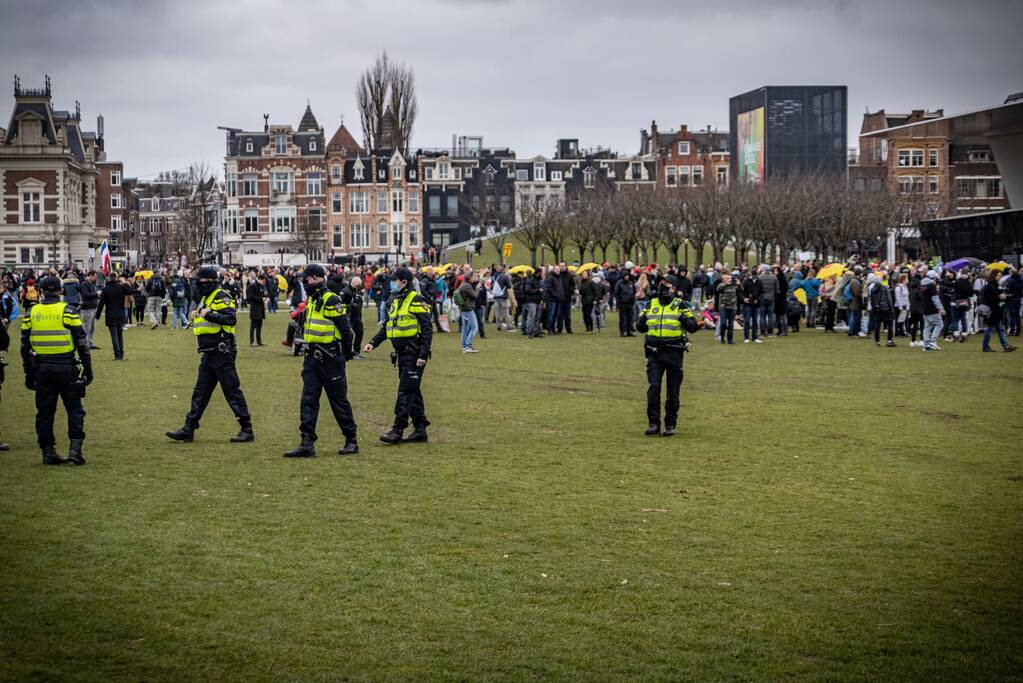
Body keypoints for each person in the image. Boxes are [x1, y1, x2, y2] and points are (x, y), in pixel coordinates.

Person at [166, 266, 254, 443]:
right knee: (201, 392)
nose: (198, 285)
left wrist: (209, 314)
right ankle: (189, 428)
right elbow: (206, 319)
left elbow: (230, 319)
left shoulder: (222, 296)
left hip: (221, 351)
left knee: (231, 390)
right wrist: (197, 315)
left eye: (201, 282)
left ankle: (247, 429)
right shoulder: (206, 298)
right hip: (209, 352)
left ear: (211, 282)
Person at [284, 264, 358, 458]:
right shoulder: (312, 299)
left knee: (338, 401)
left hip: (331, 357)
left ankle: (351, 439)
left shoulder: (330, 299)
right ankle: (307, 442)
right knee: (308, 400)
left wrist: (347, 354)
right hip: (312, 358)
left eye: (306, 279)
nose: (303, 282)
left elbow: (346, 330)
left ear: (316, 278)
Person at [20, 275, 93, 465]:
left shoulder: (31, 312)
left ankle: (47, 451)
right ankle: (75, 449)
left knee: (44, 412)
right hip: (66, 367)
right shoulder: (68, 311)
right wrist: (88, 368)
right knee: (75, 409)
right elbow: (81, 343)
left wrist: (28, 372)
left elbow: (24, 346)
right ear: (60, 291)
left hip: (42, 369)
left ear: (41, 291)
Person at [363, 267, 434, 444]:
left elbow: (427, 329)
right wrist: (373, 342)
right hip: (402, 355)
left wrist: (423, 355)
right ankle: (420, 429)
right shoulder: (395, 300)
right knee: (412, 390)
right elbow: (388, 326)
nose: (392, 283)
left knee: (405, 391)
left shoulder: (415, 299)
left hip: (414, 353)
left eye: (395, 280)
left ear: (404, 282)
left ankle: (398, 429)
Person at [635, 275, 699, 437]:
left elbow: (693, 327)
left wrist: (682, 317)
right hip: (654, 352)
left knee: (673, 391)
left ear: (674, 288)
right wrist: (642, 320)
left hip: (674, 352)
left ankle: (670, 424)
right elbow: (640, 327)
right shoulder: (652, 303)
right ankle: (653, 423)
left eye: (667, 284)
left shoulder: (680, 304)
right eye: (662, 283)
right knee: (654, 387)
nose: (663, 286)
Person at [95, 274, 133, 360]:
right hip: (120, 314)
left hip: (110, 315)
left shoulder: (105, 289)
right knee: (120, 335)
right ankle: (121, 353)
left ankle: (117, 354)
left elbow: (101, 304)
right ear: (116, 279)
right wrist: (125, 283)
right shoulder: (121, 287)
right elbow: (131, 291)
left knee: (114, 336)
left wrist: (97, 316)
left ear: (108, 279)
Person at [980, 270, 1017, 353]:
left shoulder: (995, 285)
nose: (1000, 277)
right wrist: (1000, 297)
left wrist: (1006, 296)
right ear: (994, 276)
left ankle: (1006, 346)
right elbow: (990, 299)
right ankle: (986, 346)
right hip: (992, 311)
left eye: (1000, 275)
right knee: (990, 330)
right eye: (998, 275)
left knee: (1000, 329)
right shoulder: (990, 286)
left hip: (996, 311)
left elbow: (996, 296)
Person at [919, 270, 944, 351]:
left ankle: (926, 344)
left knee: (927, 326)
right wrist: (941, 308)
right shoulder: (932, 285)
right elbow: (935, 298)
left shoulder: (922, 284)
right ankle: (933, 341)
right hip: (932, 308)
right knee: (939, 324)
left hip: (924, 308)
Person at [715, 271, 738, 345]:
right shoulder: (721, 285)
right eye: (728, 278)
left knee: (731, 324)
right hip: (723, 307)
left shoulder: (734, 285)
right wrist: (726, 284)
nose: (729, 279)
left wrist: (739, 284)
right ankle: (722, 337)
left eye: (730, 278)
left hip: (732, 307)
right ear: (724, 279)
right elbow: (718, 289)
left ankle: (730, 339)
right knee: (723, 323)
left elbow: (741, 290)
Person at [79, 271, 100, 349]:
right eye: (94, 276)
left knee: (92, 327)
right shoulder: (84, 284)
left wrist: (97, 295)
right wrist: (96, 293)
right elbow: (85, 295)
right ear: (90, 275)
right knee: (87, 326)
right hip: (87, 308)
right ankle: (84, 342)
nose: (95, 278)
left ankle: (89, 342)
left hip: (93, 307)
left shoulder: (91, 283)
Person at [246, 273, 267, 346]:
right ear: (260, 279)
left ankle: (259, 341)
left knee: (259, 326)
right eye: (263, 281)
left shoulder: (261, 286)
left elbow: (261, 295)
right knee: (253, 326)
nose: (264, 283)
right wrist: (261, 299)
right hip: (255, 309)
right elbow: (251, 297)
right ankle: (252, 341)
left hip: (260, 309)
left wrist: (264, 297)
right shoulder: (253, 286)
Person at [614, 270, 636, 337]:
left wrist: (633, 300)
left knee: (630, 318)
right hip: (622, 303)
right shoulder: (619, 283)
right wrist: (619, 302)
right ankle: (622, 331)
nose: (627, 277)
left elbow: (634, 291)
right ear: (623, 276)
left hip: (630, 303)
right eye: (626, 276)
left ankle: (629, 331)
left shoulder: (631, 283)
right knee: (623, 318)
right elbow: (616, 293)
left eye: (628, 275)